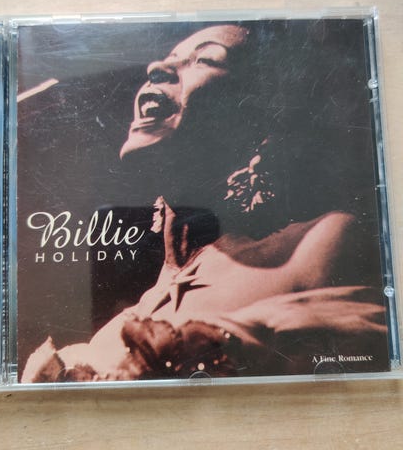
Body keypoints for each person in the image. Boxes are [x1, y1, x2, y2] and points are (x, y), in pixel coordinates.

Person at [22, 25, 388, 383]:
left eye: (205, 59)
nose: (156, 68)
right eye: (167, 58)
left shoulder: (319, 244)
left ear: (254, 116)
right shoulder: (115, 327)